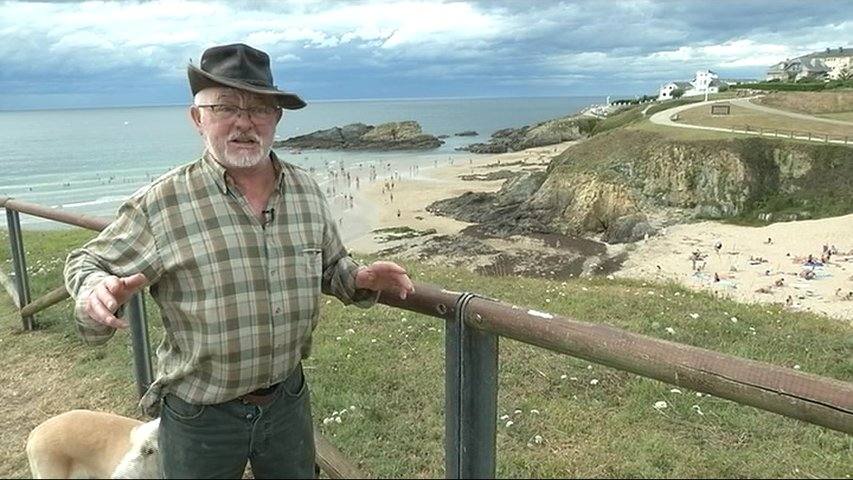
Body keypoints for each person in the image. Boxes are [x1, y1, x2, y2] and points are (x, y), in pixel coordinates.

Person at [63, 43, 414, 479]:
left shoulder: (306, 190)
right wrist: (96, 292)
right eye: (225, 106)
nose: (244, 121)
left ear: (276, 118)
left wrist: (358, 277)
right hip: (199, 413)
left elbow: (329, 267)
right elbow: (86, 260)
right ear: (198, 118)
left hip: (287, 400)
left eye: (260, 109)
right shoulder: (163, 204)